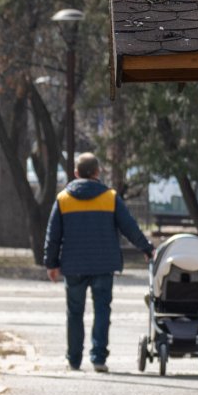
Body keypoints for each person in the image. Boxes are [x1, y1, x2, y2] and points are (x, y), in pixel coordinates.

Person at [43, 152, 154, 373]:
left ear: (76, 173)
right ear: (97, 172)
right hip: (103, 264)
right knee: (102, 310)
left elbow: (53, 235)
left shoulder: (63, 199)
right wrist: (147, 248)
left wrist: (51, 263)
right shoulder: (110, 198)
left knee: (74, 312)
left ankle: (74, 359)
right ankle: (98, 357)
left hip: (73, 265)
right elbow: (129, 227)